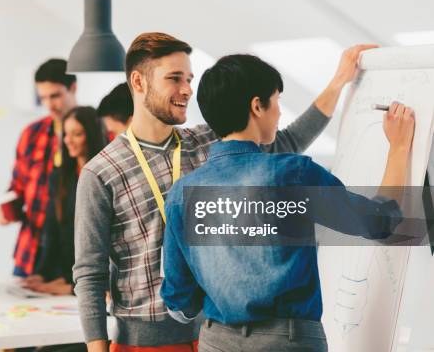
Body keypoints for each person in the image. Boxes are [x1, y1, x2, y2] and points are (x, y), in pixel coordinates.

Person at [73, 32, 374, 352]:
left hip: (213, 333)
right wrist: (96, 347)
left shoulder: (210, 142)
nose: (187, 89)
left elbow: (284, 141)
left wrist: (339, 82)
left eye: (189, 78)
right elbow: (90, 272)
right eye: (175, 78)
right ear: (139, 81)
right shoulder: (100, 172)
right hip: (146, 341)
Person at [160, 54, 414, 351]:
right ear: (257, 106)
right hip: (286, 341)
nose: (279, 113)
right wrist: (398, 148)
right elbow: (378, 223)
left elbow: (180, 302)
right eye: (276, 101)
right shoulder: (292, 174)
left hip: (216, 341)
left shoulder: (182, 194)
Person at [0, 58, 77, 277]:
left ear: (73, 88)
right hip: (29, 254)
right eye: (43, 98)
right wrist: (6, 208)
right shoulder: (32, 134)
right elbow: (17, 186)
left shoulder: (98, 132)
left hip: (70, 259)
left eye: (55, 96)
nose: (50, 105)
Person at [23, 106, 106, 295]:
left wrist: (70, 287)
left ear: (91, 135)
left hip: (88, 283)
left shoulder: (104, 178)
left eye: (77, 134)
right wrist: (42, 274)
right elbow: (52, 230)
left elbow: (100, 244)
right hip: (64, 276)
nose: (68, 141)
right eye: (66, 134)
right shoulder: (60, 177)